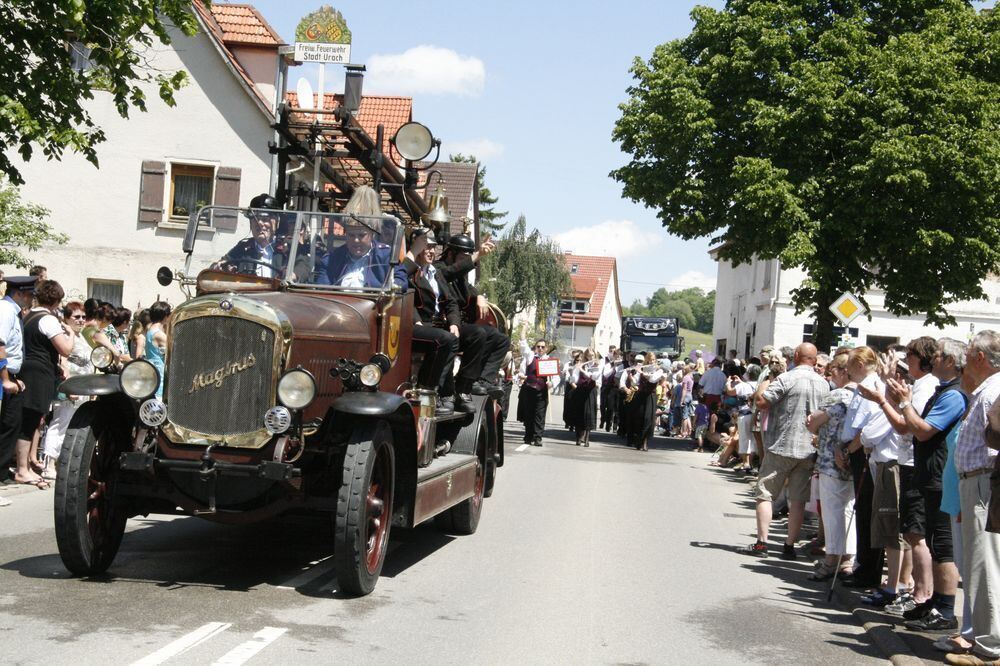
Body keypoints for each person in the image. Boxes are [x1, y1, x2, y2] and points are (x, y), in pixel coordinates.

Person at [875, 338, 967, 630]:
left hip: (940, 477)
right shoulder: (943, 390)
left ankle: (944, 607)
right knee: (934, 542)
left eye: (938, 355)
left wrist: (902, 402)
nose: (933, 359)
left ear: (951, 361)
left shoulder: (953, 394)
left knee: (942, 546)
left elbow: (923, 431)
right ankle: (935, 602)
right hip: (931, 475)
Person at [738, 343, 829, 558]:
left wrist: (765, 381)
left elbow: (761, 402)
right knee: (797, 500)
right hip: (808, 448)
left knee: (765, 493)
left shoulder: (787, 378)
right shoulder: (824, 384)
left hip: (781, 444)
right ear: (814, 360)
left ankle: (762, 543)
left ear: (796, 356)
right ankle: (789, 546)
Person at [949, 330, 1000, 664]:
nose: (963, 360)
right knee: (981, 564)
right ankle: (985, 641)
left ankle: (990, 647)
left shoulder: (992, 391)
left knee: (985, 564)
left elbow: (993, 443)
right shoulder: (986, 390)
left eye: (967, 353)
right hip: (977, 483)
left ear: (980, 357)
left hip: (983, 482)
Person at [15, 280, 75, 489]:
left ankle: (25, 466)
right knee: (30, 420)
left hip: (28, 370)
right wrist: (72, 334)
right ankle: (22, 469)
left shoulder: (29, 315)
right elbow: (65, 349)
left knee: (31, 420)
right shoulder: (48, 320)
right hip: (39, 374)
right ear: (56, 300)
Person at [434, 233, 509, 398]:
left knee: (500, 339)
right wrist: (477, 255)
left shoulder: (460, 276)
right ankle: (464, 385)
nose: (466, 261)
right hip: (443, 325)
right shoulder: (438, 268)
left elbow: (467, 286)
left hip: (459, 326)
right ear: (451, 253)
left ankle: (482, 380)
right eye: (463, 256)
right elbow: (450, 273)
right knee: (478, 333)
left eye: (468, 257)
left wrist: (479, 296)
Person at [805, 351, 856, 580]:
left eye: (834, 369)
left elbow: (813, 423)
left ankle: (831, 560)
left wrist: (813, 422)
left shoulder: (837, 396)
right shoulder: (863, 395)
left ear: (845, 371)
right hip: (854, 460)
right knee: (849, 511)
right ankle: (848, 560)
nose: (830, 372)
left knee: (833, 511)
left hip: (830, 460)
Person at [404, 229, 462, 415]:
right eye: (427, 247)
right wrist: (416, 320)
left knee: (485, 335)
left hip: (441, 324)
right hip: (420, 324)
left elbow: (451, 301)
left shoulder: (435, 272)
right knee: (447, 341)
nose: (431, 251)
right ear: (417, 248)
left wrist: (454, 323)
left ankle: (468, 388)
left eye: (433, 248)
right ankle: (429, 391)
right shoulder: (408, 271)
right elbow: (405, 296)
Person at [315, 186, 407, 289]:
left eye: (361, 235)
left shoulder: (386, 257)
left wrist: (392, 286)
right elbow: (321, 288)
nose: (356, 240)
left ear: (372, 233)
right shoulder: (332, 259)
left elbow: (401, 282)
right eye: (351, 235)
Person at [41, 301, 93, 479]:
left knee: (72, 426)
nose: (81, 320)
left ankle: (64, 464)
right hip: (69, 388)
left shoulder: (80, 336)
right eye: (76, 317)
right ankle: (48, 464)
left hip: (83, 390)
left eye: (83, 317)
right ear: (66, 318)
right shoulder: (64, 334)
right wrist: (69, 386)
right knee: (60, 424)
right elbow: (62, 361)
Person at [0, 276, 36, 486]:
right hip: (3, 377)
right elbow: (0, 345)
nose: (31, 299)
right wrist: (6, 379)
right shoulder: (5, 310)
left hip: (10, 375)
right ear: (19, 293)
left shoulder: (13, 311)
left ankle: (3, 474)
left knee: (10, 425)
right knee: (5, 426)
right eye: (30, 295)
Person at [216, 193, 288, 278]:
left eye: (265, 219)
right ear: (250, 223)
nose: (260, 223)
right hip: (248, 291)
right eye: (255, 219)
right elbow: (220, 264)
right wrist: (221, 267)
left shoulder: (287, 248)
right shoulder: (243, 248)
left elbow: (302, 267)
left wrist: (292, 275)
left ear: (277, 222)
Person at [518, 338, 553, 447]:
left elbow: (554, 378)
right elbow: (524, 347)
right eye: (538, 346)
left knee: (540, 415)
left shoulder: (550, 360)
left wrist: (551, 384)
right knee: (529, 414)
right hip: (529, 389)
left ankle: (538, 437)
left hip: (542, 392)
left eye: (543, 347)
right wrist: (523, 332)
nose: (540, 349)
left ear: (546, 348)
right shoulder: (531, 356)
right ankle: (528, 436)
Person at [567, 349, 602, 447]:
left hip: (591, 392)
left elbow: (594, 377)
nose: (590, 357)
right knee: (579, 414)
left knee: (589, 414)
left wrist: (582, 369)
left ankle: (587, 439)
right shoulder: (581, 365)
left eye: (592, 355)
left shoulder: (597, 366)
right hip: (580, 391)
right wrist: (573, 371)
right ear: (586, 356)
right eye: (588, 355)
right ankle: (578, 437)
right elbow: (574, 379)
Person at [145, 301, 171, 399]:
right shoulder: (159, 335)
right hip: (159, 372)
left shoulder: (150, 330)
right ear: (165, 316)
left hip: (152, 370)